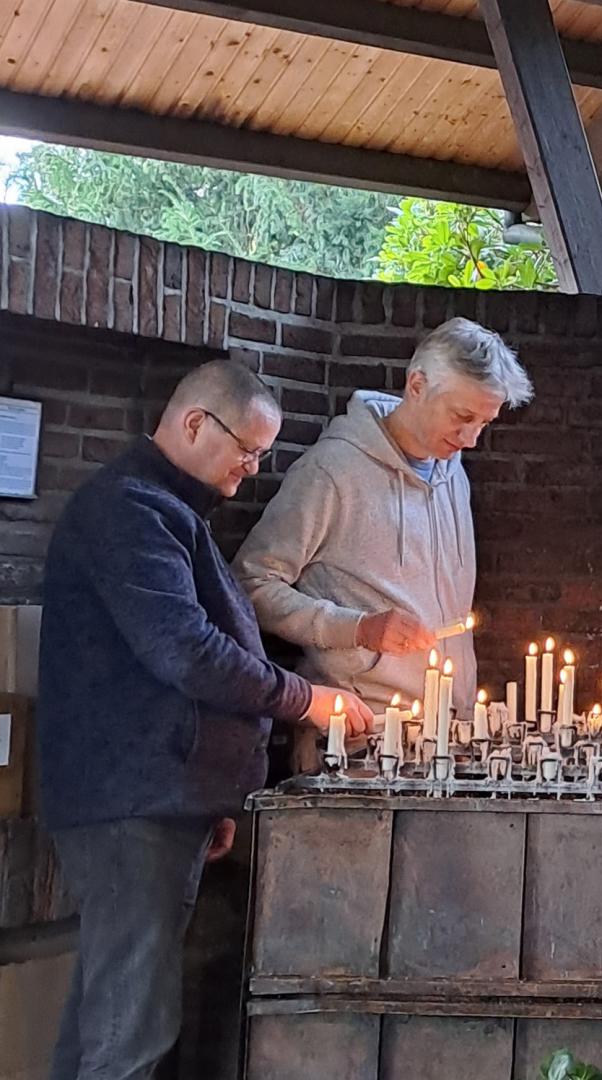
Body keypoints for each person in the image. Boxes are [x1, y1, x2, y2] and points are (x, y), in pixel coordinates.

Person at [36, 359, 373, 1080]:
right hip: (132, 804)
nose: (251, 468)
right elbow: (186, 652)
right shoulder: (129, 510)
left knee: (108, 1019)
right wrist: (308, 699)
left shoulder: (169, 512)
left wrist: (214, 792)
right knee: (131, 1034)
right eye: (247, 449)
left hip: (162, 800)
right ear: (195, 423)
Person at [233, 318, 532, 760]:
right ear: (416, 385)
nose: (471, 439)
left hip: (446, 739)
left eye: (484, 423)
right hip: (357, 740)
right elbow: (249, 584)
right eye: (462, 417)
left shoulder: (454, 472)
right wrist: (359, 629)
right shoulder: (331, 472)